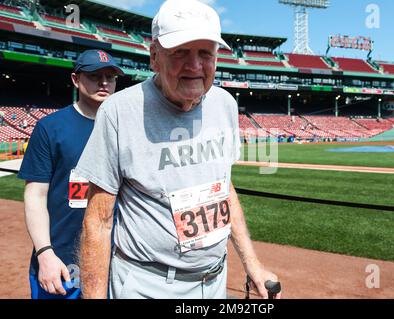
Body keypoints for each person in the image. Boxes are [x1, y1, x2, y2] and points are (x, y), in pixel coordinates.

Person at [75, 0, 281, 299]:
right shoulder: (119, 111)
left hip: (214, 280)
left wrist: (253, 264)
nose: (195, 66)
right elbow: (99, 220)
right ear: (154, 57)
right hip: (147, 284)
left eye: (205, 53)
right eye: (180, 52)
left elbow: (224, 188)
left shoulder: (225, 104)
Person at [17, 49, 124, 299]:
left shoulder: (127, 128)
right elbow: (35, 195)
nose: (104, 82)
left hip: (115, 262)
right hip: (62, 264)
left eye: (111, 76)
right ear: (76, 79)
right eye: (95, 75)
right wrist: (44, 253)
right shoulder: (50, 128)